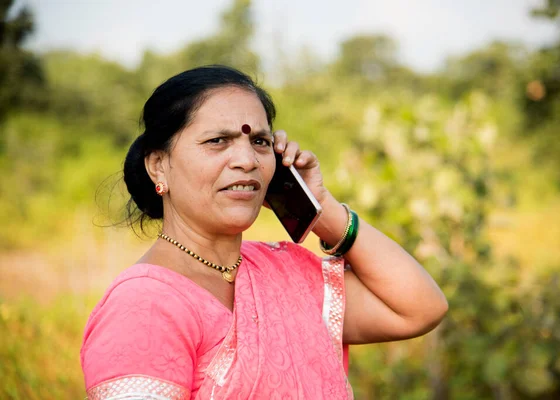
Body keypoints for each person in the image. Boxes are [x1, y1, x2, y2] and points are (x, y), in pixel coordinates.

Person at [80, 65, 448, 400]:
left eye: (259, 141)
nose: (248, 160)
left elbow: (419, 309)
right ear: (159, 166)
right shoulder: (144, 304)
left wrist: (321, 207)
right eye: (217, 141)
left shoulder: (285, 273)